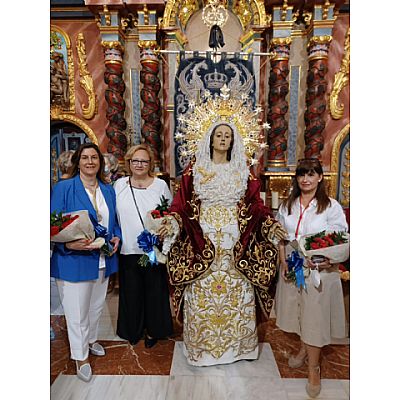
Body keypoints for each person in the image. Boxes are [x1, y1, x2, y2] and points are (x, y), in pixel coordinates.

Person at [163, 122, 286, 366]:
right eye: (218, 135)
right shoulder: (195, 169)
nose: (222, 139)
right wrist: (173, 222)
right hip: (201, 242)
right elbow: (181, 203)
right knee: (201, 294)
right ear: (209, 139)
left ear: (233, 141)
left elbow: (255, 206)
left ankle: (239, 348)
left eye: (227, 136)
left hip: (236, 242)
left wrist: (270, 224)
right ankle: (203, 348)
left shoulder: (243, 169)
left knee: (238, 292)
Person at [274, 158, 348, 398]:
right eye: (301, 175)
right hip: (294, 267)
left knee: (314, 319)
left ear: (320, 177)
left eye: (311, 174)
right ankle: (304, 350)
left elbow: (340, 237)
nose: (306, 179)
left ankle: (314, 368)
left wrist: (329, 259)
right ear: (296, 178)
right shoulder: (288, 205)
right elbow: (281, 237)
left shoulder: (331, 206)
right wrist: (284, 261)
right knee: (297, 313)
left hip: (320, 271)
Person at [51, 143, 121, 382]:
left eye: (94, 157)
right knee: (76, 311)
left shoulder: (108, 189)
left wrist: (117, 237)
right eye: (85, 158)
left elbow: (115, 222)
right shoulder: (64, 187)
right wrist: (67, 244)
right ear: (77, 162)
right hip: (74, 260)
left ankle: (91, 341)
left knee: (95, 307)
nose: (90, 162)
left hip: (102, 259)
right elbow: (52, 223)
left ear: (100, 162)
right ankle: (80, 357)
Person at [114, 144, 173, 348]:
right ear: (129, 162)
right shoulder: (119, 185)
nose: (139, 164)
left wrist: (164, 231)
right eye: (135, 161)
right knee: (131, 291)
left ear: (150, 164)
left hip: (153, 249)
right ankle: (133, 330)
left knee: (154, 290)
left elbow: (169, 215)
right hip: (128, 248)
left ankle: (155, 330)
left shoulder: (160, 186)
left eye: (144, 161)